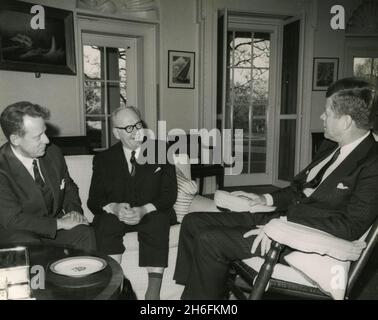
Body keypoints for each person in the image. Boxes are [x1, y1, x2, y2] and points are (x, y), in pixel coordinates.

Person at [173, 77, 378, 299]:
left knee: (208, 240)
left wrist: (284, 226)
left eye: (327, 112)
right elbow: (299, 188)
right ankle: (195, 291)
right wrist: (265, 199)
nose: (322, 117)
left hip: (300, 240)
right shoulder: (330, 147)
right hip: (279, 218)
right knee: (193, 222)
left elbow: (350, 226)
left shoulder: (372, 163)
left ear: (346, 121)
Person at [87, 106, 177, 300]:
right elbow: (94, 201)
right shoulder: (103, 159)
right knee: (105, 223)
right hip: (119, 216)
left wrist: (144, 209)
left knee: (158, 220)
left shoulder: (161, 150)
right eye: (128, 128)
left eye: (138, 125)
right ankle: (114, 287)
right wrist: (114, 207)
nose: (136, 132)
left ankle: (153, 293)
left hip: (151, 212)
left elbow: (169, 195)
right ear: (116, 133)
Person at [0, 101, 95, 251]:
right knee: (26, 242)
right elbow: (12, 220)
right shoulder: (2, 167)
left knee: (85, 233)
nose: (47, 140)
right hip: (19, 234)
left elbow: (68, 186)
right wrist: (61, 224)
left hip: (54, 230)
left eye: (44, 132)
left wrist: (74, 212)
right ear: (15, 139)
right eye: (38, 136)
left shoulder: (53, 153)